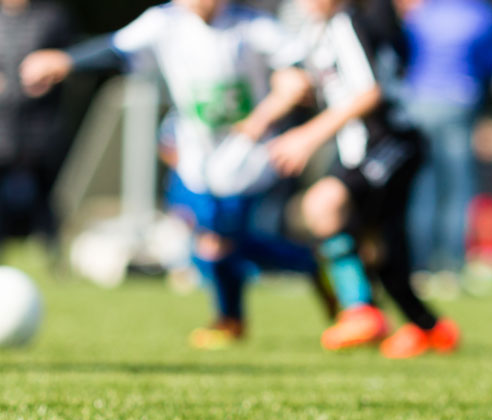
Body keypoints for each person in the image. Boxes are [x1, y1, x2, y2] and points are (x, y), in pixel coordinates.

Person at [21, 0, 330, 350]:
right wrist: (65, 61)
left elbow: (297, 67)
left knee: (218, 240)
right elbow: (117, 50)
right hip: (194, 157)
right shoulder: (163, 23)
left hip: (247, 156)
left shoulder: (250, 25)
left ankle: (234, 317)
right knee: (210, 238)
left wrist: (283, 93)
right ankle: (305, 266)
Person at [243, 0, 461, 358]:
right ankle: (428, 328)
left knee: (323, 205)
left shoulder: (349, 23)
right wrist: (265, 113)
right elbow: (299, 77)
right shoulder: (317, 30)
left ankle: (361, 310)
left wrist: (307, 136)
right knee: (376, 244)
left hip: (389, 142)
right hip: (362, 149)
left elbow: (368, 93)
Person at [402, 0, 492, 287]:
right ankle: (450, 265)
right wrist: (491, 116)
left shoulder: (420, 14)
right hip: (460, 103)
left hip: (418, 104)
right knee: (458, 188)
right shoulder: (481, 15)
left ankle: (419, 264)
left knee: (423, 188)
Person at [0, 0, 72, 265]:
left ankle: (52, 254)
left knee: (45, 195)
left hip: (40, 123)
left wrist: (49, 79)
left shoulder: (51, 16)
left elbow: (67, 58)